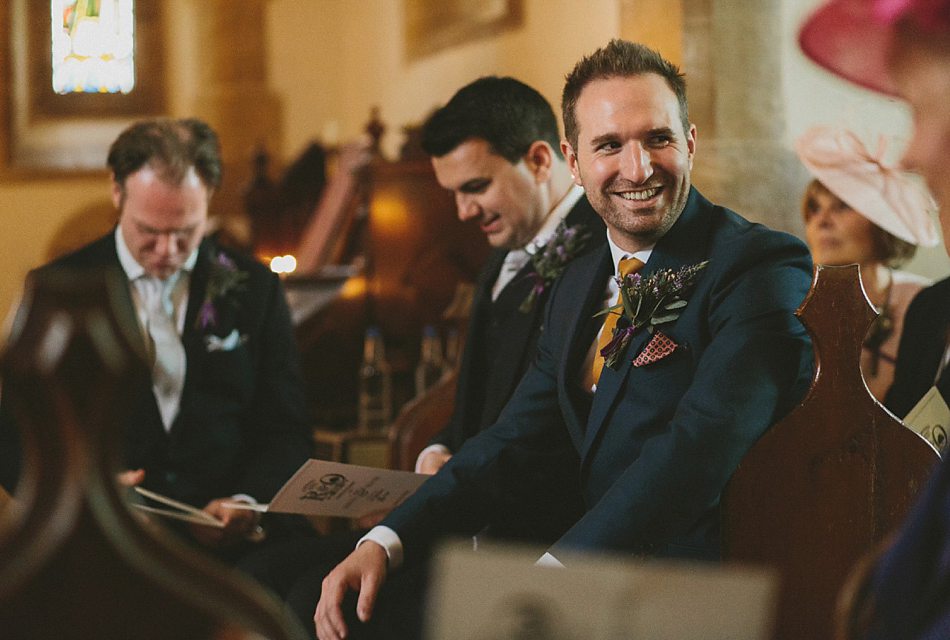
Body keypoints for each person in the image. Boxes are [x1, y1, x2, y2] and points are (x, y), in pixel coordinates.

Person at [314, 39, 814, 640]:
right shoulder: (579, 279)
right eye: (609, 146)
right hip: (587, 575)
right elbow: (515, 434)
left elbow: (693, 453)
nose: (638, 168)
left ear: (690, 142)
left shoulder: (756, 265)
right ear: (574, 163)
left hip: (696, 592)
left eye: (658, 138)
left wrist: (549, 578)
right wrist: (390, 538)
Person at [238, 75, 607, 633]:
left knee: (326, 604)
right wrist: (434, 451)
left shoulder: (594, 253)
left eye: (475, 186)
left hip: (524, 532)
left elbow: (549, 426)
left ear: (538, 159)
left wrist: (435, 506)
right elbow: (469, 406)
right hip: (463, 504)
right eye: (453, 192)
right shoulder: (502, 249)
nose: (462, 211)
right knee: (262, 575)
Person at [0, 117, 315, 562]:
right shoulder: (57, 289)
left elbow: (286, 428)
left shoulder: (253, 287)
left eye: (185, 232)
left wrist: (248, 503)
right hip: (103, 550)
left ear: (209, 202)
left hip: (234, 551)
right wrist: (82, 489)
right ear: (116, 192)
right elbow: (12, 446)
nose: (167, 250)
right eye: (149, 231)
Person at [799, 0, 950, 637]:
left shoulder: (932, 306)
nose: (911, 155)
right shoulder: (792, 308)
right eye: (815, 204)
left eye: (924, 109)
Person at [795, 123, 938, 401]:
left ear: (880, 223)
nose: (821, 221)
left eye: (842, 206)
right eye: (815, 207)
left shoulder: (922, 303)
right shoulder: (798, 302)